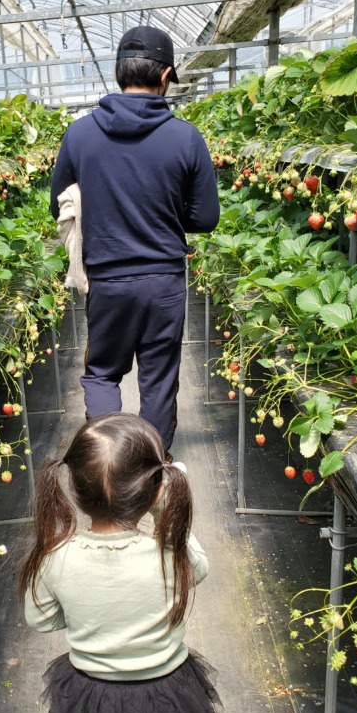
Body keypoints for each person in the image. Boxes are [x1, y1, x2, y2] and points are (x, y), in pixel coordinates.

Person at [19, 413, 219, 713]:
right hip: (167, 686)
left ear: (73, 487)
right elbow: (202, 567)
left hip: (95, 694)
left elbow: (40, 617)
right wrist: (167, 517)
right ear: (156, 490)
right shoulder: (170, 553)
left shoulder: (56, 557)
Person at [50, 26, 220, 459]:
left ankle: (108, 471)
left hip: (107, 280)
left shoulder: (80, 135)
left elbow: (60, 203)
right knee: (158, 380)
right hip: (164, 280)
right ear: (165, 76)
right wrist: (162, 211)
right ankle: (152, 473)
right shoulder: (186, 137)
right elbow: (205, 218)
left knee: (103, 375)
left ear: (117, 72)